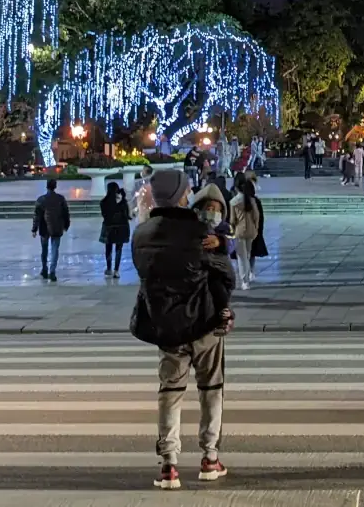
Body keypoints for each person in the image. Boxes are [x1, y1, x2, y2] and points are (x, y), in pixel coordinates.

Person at [131, 167, 235, 489]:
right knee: (211, 390)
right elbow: (226, 276)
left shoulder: (141, 234)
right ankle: (209, 457)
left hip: (167, 328)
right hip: (204, 325)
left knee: (170, 394)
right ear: (179, 195)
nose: (190, 195)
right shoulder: (197, 232)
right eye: (187, 190)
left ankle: (169, 465)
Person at [229, 174, 266, 290]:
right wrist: (255, 227)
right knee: (248, 254)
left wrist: (232, 229)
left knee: (241, 257)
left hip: (239, 231)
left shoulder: (234, 202)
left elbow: (232, 220)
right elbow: (256, 216)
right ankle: (248, 274)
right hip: (251, 231)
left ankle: (244, 280)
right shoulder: (251, 200)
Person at [32, 177, 71, 283]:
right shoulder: (60, 199)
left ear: (47, 186)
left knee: (44, 250)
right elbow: (66, 213)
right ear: (55, 186)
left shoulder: (41, 199)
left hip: (44, 228)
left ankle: (44, 269)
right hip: (57, 228)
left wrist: (34, 229)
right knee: (55, 250)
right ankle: (52, 271)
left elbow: (37, 216)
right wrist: (66, 225)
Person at [100, 180, 133, 278]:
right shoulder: (122, 203)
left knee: (108, 249)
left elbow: (104, 215)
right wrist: (124, 198)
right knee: (119, 249)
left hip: (108, 227)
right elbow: (127, 215)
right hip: (121, 227)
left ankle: (109, 268)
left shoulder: (103, 202)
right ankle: (116, 270)